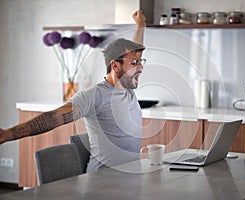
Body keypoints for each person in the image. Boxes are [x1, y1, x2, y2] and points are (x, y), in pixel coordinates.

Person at [0, 10, 147, 172]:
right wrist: (8, 134)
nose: (140, 66)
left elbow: (136, 51)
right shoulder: (95, 96)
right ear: (115, 66)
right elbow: (52, 118)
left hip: (129, 180)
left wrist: (141, 25)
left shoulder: (127, 92)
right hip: (103, 183)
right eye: (134, 63)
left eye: (140, 61)